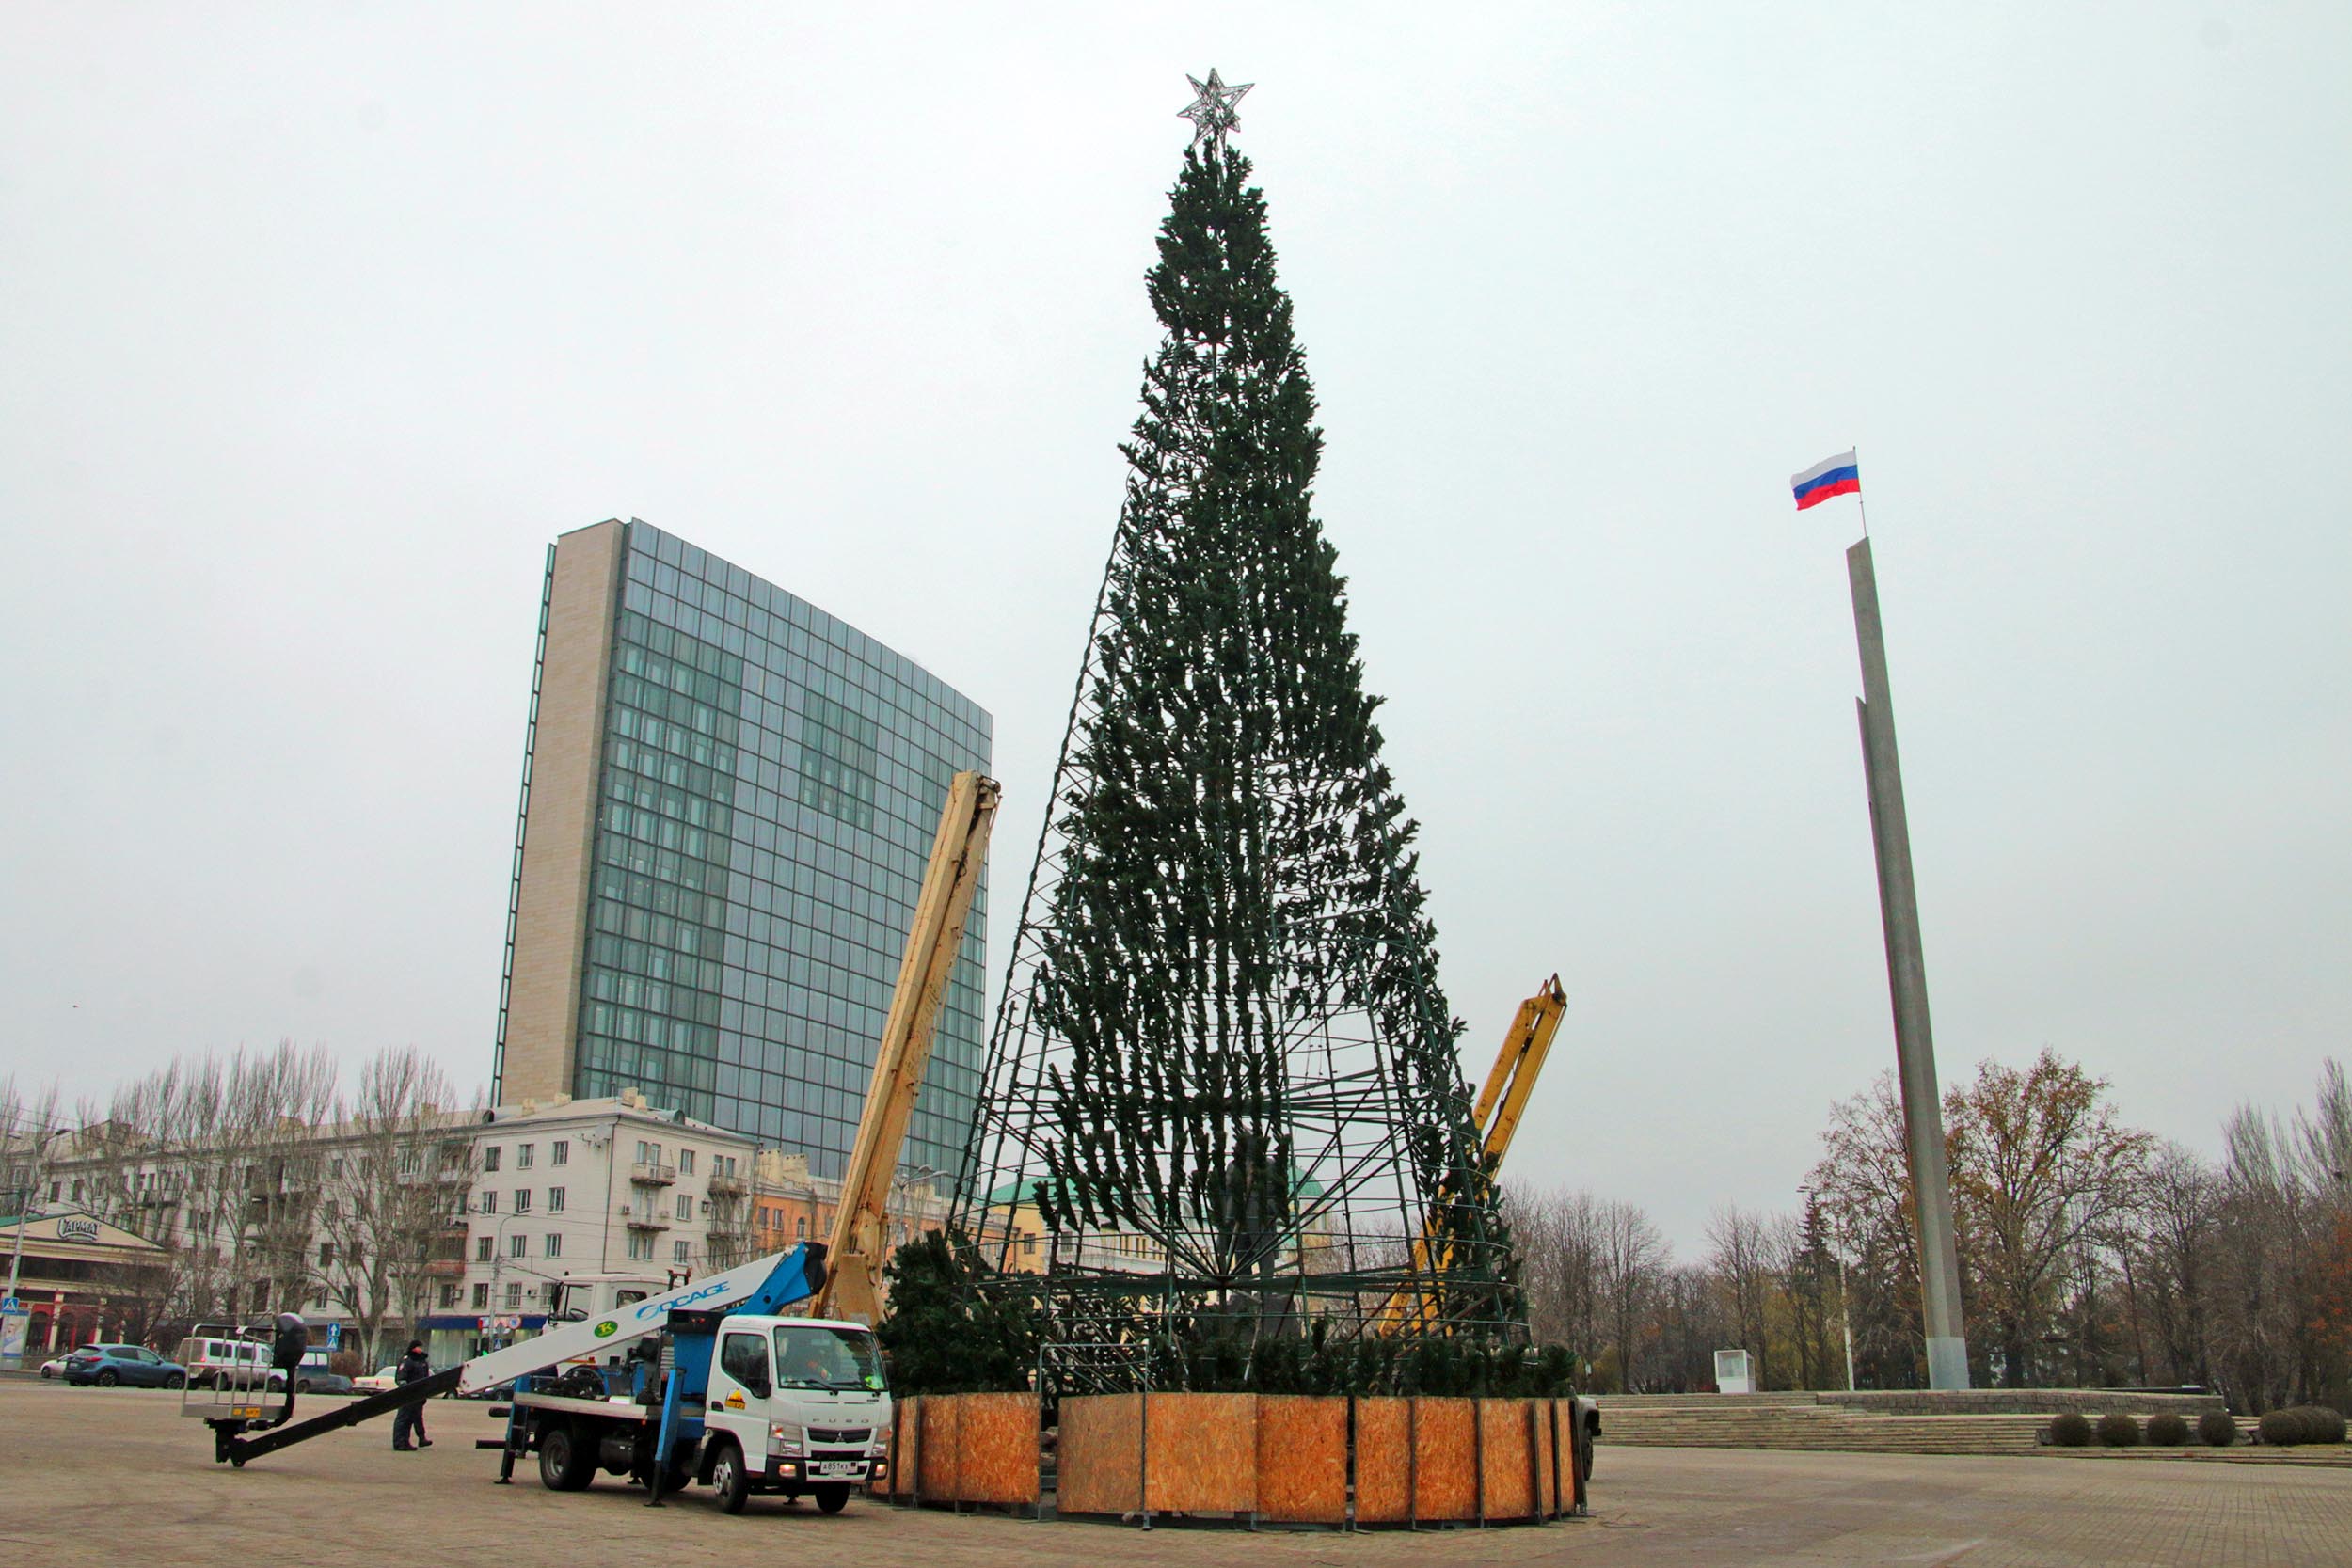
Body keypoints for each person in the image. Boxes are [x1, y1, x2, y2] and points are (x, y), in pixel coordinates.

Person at [390, 1341, 434, 1451]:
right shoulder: (408, 1360)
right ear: (413, 1348)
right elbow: (401, 1377)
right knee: (403, 1419)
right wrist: (405, 1387)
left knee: (414, 1418)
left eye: (421, 1347)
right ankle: (399, 1442)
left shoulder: (422, 1361)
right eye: (418, 1347)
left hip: (418, 1395)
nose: (420, 1349)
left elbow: (425, 1377)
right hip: (408, 1395)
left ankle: (410, 1441)